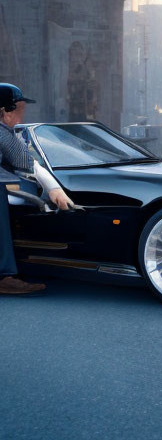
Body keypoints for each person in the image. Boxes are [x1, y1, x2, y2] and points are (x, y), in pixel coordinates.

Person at [0, 83, 74, 295]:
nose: (23, 115)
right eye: (20, 109)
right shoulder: (3, 133)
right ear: (5, 112)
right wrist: (54, 188)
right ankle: (4, 276)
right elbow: (27, 163)